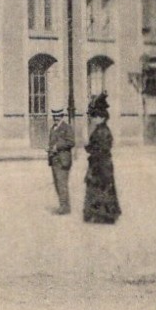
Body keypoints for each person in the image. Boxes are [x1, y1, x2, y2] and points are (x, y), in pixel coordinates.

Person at [83, 92, 122, 225]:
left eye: (96, 117)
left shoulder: (103, 131)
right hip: (99, 162)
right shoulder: (100, 130)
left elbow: (103, 148)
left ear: (102, 118)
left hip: (101, 163)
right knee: (98, 188)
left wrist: (90, 149)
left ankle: (104, 215)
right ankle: (98, 214)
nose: (93, 119)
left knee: (102, 188)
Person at [46, 106, 75, 215]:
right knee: (57, 184)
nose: (56, 119)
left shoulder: (67, 128)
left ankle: (65, 207)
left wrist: (58, 147)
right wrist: (49, 149)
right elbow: (51, 142)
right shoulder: (53, 128)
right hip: (54, 160)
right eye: (54, 116)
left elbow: (71, 142)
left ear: (62, 116)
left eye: (58, 116)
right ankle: (63, 205)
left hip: (63, 160)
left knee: (62, 183)